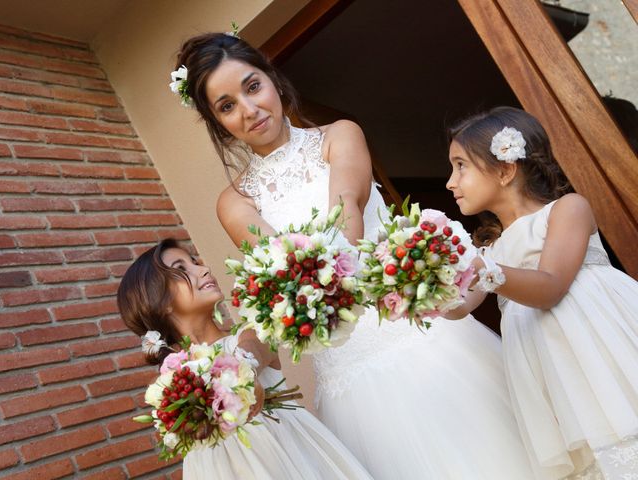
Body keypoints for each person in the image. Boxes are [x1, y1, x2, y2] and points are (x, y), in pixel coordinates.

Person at [170, 32, 535, 479]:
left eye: (252, 86)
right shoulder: (234, 202)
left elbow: (347, 202)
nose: (249, 110)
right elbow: (279, 276)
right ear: (217, 121)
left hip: (421, 340)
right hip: (349, 377)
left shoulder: (339, 135)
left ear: (273, 80)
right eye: (226, 106)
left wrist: (317, 270)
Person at [445, 106, 638, 479]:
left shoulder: (567, 209)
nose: (451, 182)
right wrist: (421, 287)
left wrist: (483, 270)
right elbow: (460, 307)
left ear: (505, 168)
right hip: (553, 368)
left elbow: (550, 285)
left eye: (461, 166)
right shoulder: (490, 249)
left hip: (598, 344)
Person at [117, 238, 373, 480]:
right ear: (159, 301)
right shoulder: (174, 382)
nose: (204, 269)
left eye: (196, 262)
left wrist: (244, 368)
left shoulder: (250, 333)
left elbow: (254, 349)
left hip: (288, 456)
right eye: (182, 268)